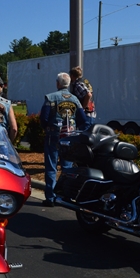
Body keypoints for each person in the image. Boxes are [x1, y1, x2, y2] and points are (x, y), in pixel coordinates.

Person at [39, 72, 86, 207]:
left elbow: (44, 118)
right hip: (69, 137)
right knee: (67, 167)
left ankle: (51, 197)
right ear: (69, 83)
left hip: (53, 136)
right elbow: (83, 119)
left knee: (51, 167)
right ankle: (64, 195)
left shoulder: (50, 97)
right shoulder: (75, 99)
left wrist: (47, 128)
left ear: (58, 83)